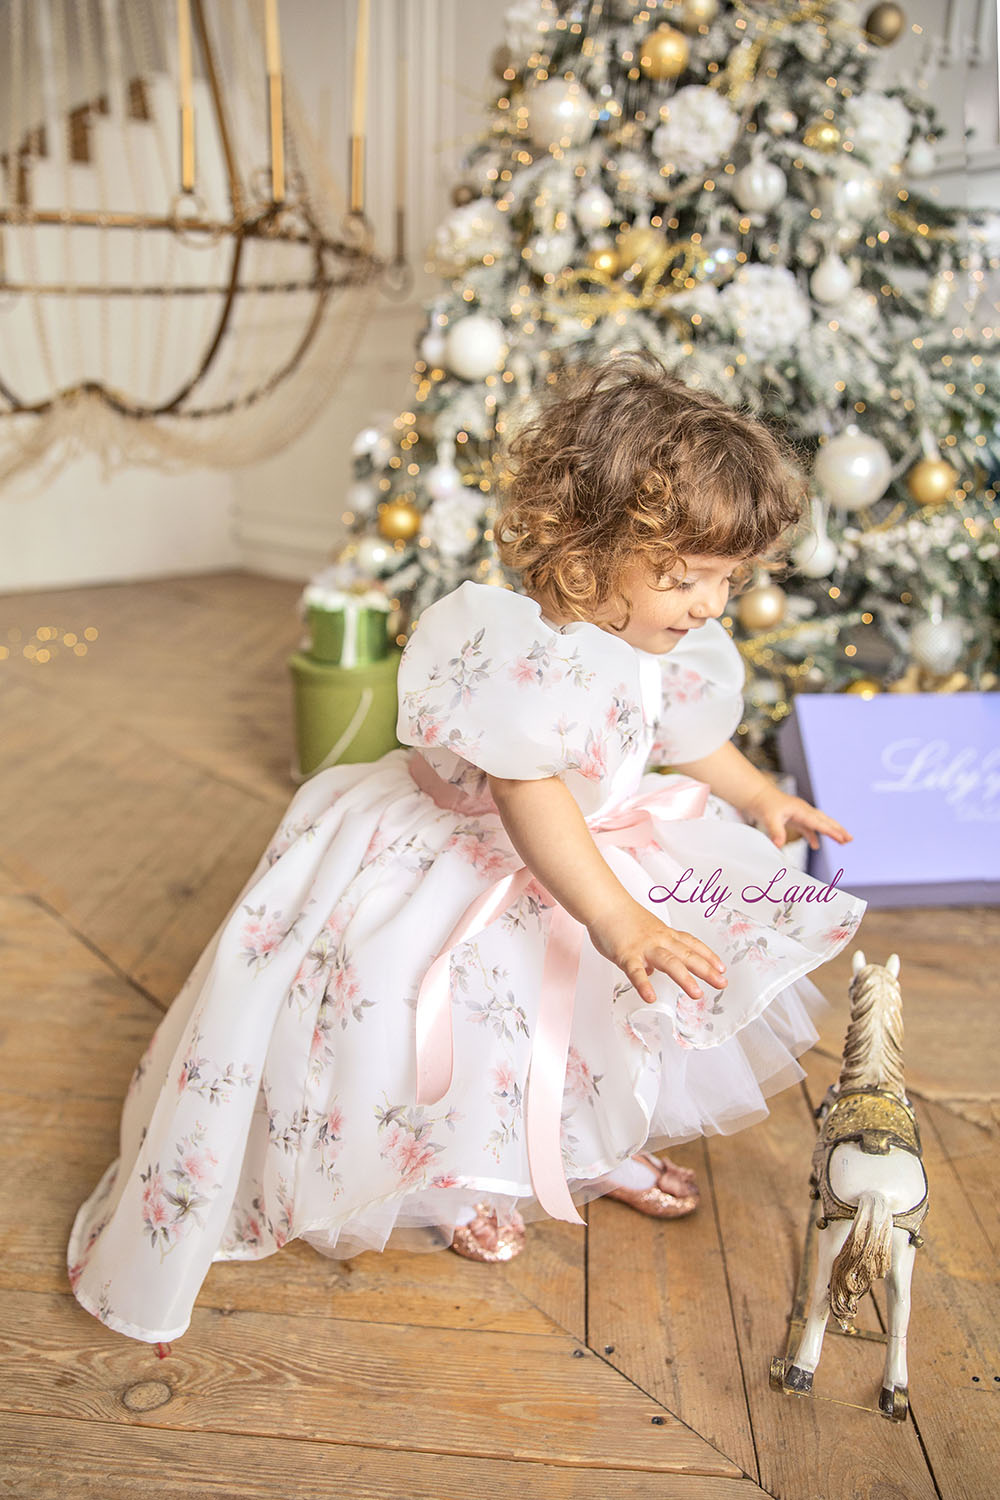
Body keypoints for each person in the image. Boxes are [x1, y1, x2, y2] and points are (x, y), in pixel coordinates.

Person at [67, 350, 865, 1342]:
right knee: (448, 1025)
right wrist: (615, 914)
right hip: (479, 861)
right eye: (683, 575)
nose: (709, 602)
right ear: (587, 543)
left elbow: (684, 732)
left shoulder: (667, 641)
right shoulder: (516, 652)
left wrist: (757, 798)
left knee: (605, 1015)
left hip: (599, 848)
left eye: (726, 578)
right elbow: (533, 802)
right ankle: (453, 1178)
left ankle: (589, 1143)